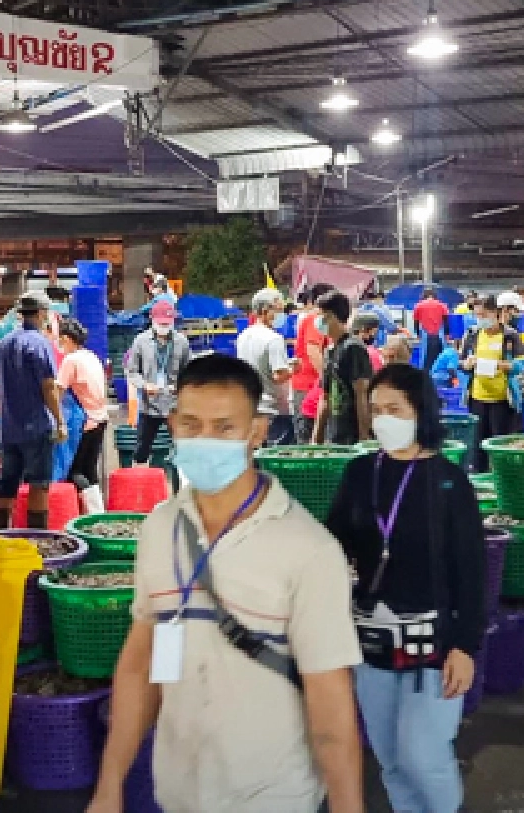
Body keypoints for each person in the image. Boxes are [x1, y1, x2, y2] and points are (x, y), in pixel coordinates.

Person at [89, 355, 365, 813]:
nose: (205, 440)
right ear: (173, 424)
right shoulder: (160, 529)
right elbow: (144, 664)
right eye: (192, 424)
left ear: (256, 432)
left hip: (274, 795)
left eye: (224, 427)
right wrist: (110, 782)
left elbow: (331, 703)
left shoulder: (308, 550)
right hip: (178, 790)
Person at [324, 364, 486, 813]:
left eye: (394, 409)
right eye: (376, 410)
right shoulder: (360, 473)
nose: (383, 420)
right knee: (391, 758)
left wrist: (466, 647)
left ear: (420, 412)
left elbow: (471, 572)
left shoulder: (450, 481)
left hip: (433, 647)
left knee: (424, 756)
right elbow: (332, 542)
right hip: (371, 642)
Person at [0, 294, 67, 530]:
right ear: (42, 313)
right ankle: (38, 539)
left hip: (9, 427)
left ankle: (2, 532)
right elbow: (48, 387)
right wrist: (60, 421)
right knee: (39, 484)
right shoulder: (40, 343)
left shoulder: (4, 343)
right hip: (36, 426)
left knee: (7, 483)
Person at [460, 294, 523, 471]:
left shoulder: (510, 336)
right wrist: (466, 364)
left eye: (483, 315)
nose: (479, 319)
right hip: (477, 398)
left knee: (500, 446)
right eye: (477, 315)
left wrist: (500, 365)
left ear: (496, 313)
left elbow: (521, 364)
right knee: (477, 448)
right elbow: (462, 363)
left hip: (502, 400)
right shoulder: (472, 335)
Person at [127, 302, 190, 466]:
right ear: (152, 320)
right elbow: (131, 371)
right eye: (161, 323)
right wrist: (144, 385)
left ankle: (183, 484)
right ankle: (140, 482)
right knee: (141, 450)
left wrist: (180, 387)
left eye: (167, 324)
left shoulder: (181, 342)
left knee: (183, 446)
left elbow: (189, 371)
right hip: (149, 406)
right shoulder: (141, 341)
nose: (164, 327)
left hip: (174, 405)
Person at [237, 287, 296, 447]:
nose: (282, 315)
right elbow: (278, 376)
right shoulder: (274, 339)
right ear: (265, 310)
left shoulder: (243, 336)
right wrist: (293, 369)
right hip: (272, 411)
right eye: (279, 310)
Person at [58, 321, 111, 495]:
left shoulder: (70, 360)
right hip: (101, 418)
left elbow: (58, 392)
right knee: (89, 469)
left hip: (85, 421)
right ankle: (97, 514)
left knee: (75, 472)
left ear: (65, 339)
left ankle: (92, 510)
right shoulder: (91, 356)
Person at [316, 290, 375, 447]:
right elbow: (325, 397)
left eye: (324, 316)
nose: (320, 321)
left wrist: (364, 438)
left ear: (335, 317)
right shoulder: (329, 351)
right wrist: (317, 439)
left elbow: (361, 394)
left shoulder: (353, 348)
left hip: (352, 437)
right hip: (334, 437)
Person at [291, 287, 330, 444]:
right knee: (308, 441)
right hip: (308, 387)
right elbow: (312, 349)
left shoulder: (315, 319)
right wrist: (327, 379)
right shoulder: (317, 320)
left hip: (310, 385)